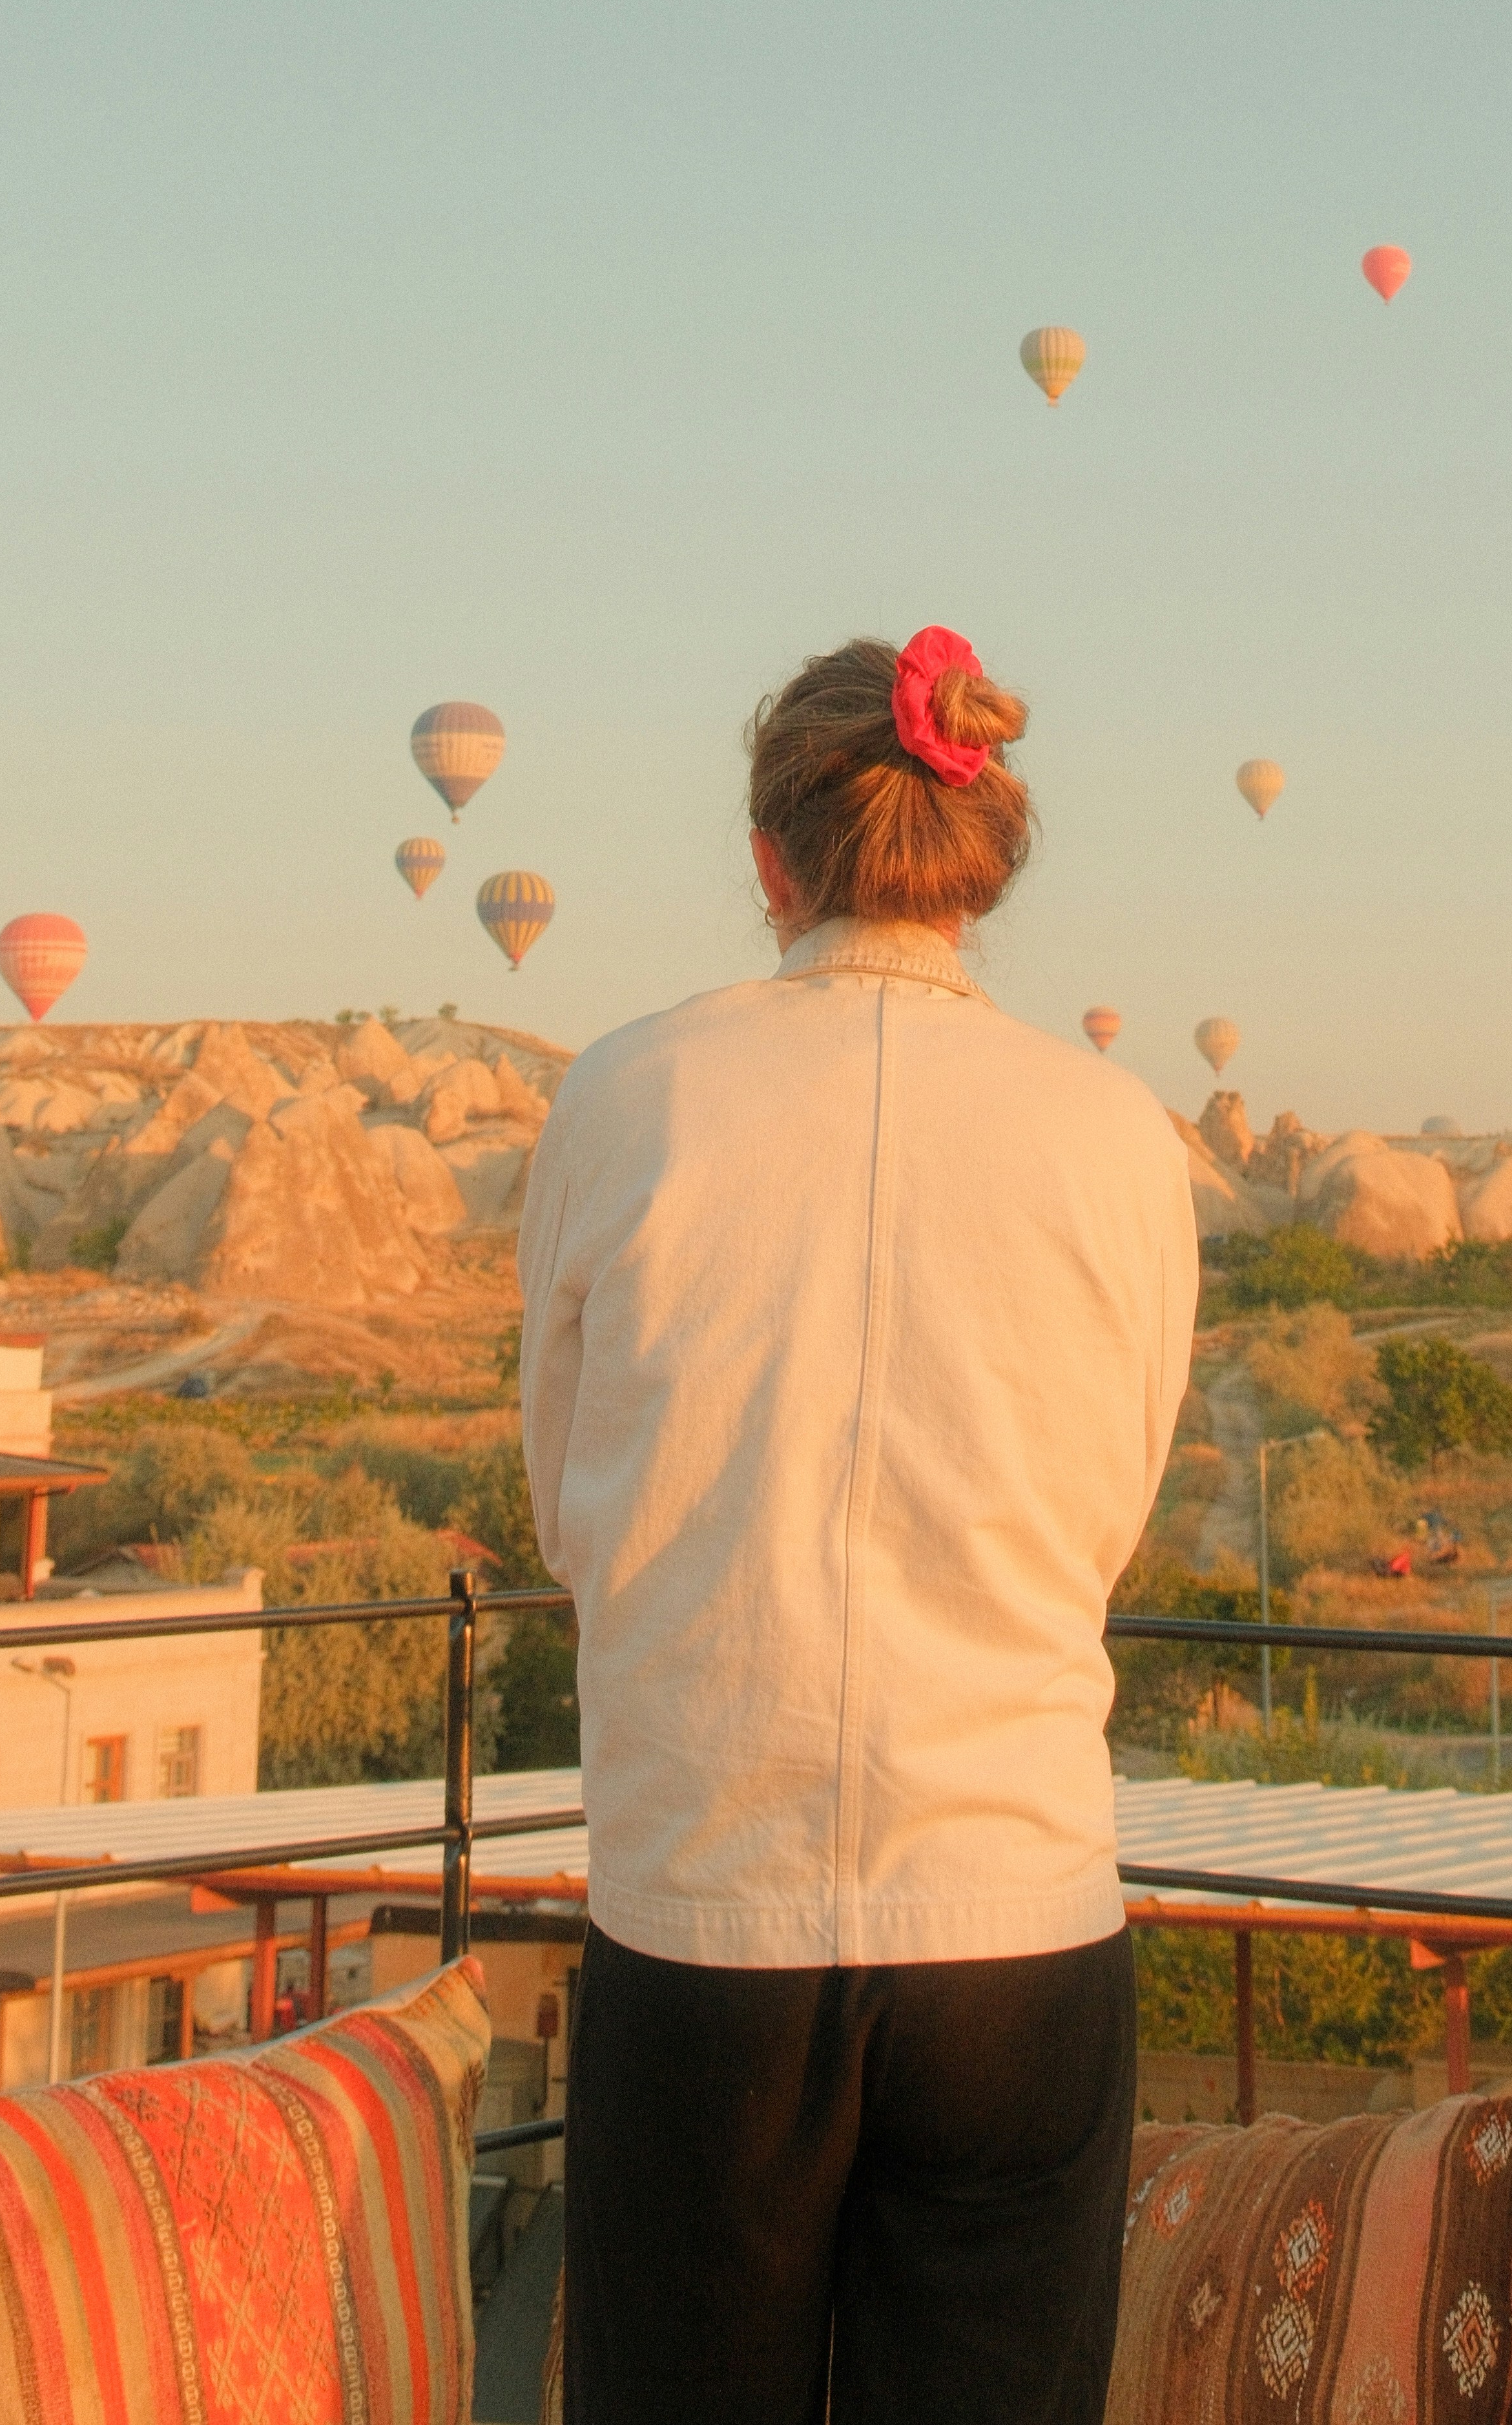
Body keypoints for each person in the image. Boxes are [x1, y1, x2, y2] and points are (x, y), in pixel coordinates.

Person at [519, 627, 1198, 2424]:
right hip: (1015, 1917)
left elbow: (567, 1504)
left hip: (705, 1913)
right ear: (978, 859)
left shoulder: (625, 1095)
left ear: (769, 862)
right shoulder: (1118, 1132)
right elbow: (1109, 1509)